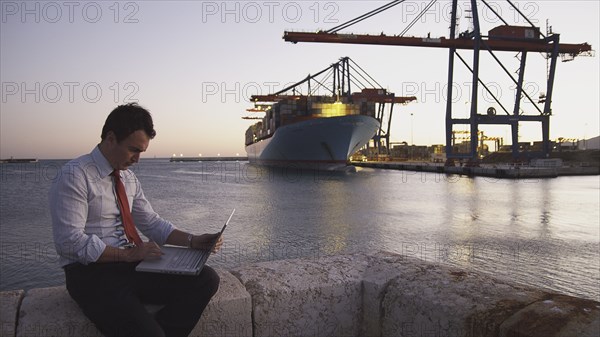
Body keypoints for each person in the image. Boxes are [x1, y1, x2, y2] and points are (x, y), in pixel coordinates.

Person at [49, 103, 221, 337]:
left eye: (141, 152)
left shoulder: (128, 179)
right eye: (133, 150)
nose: (138, 159)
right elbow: (69, 242)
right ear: (111, 138)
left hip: (132, 267)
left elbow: (151, 222)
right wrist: (128, 254)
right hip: (90, 274)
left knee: (206, 279)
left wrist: (193, 241)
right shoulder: (75, 175)